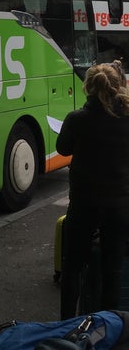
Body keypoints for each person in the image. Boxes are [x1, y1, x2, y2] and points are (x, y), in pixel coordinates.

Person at [57, 60, 129, 318]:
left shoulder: (77, 119)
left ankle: (66, 323)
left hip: (83, 202)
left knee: (73, 267)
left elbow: (63, 148)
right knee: (113, 269)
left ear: (88, 87)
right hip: (119, 205)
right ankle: (106, 326)